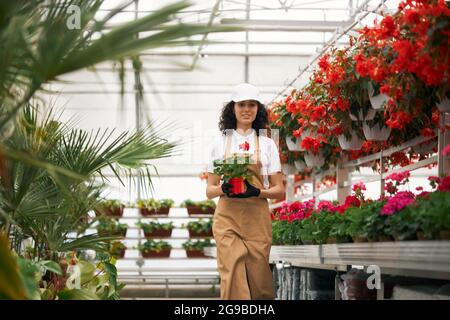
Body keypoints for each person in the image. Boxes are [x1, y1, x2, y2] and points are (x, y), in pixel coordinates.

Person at [205, 83, 285, 300]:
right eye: (242, 104)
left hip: (257, 220)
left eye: (252, 104)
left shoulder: (268, 143)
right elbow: (210, 190)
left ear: (258, 109)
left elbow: (279, 191)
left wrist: (256, 192)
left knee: (260, 283)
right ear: (233, 108)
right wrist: (223, 187)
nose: (246, 109)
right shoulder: (219, 143)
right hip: (227, 218)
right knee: (231, 275)